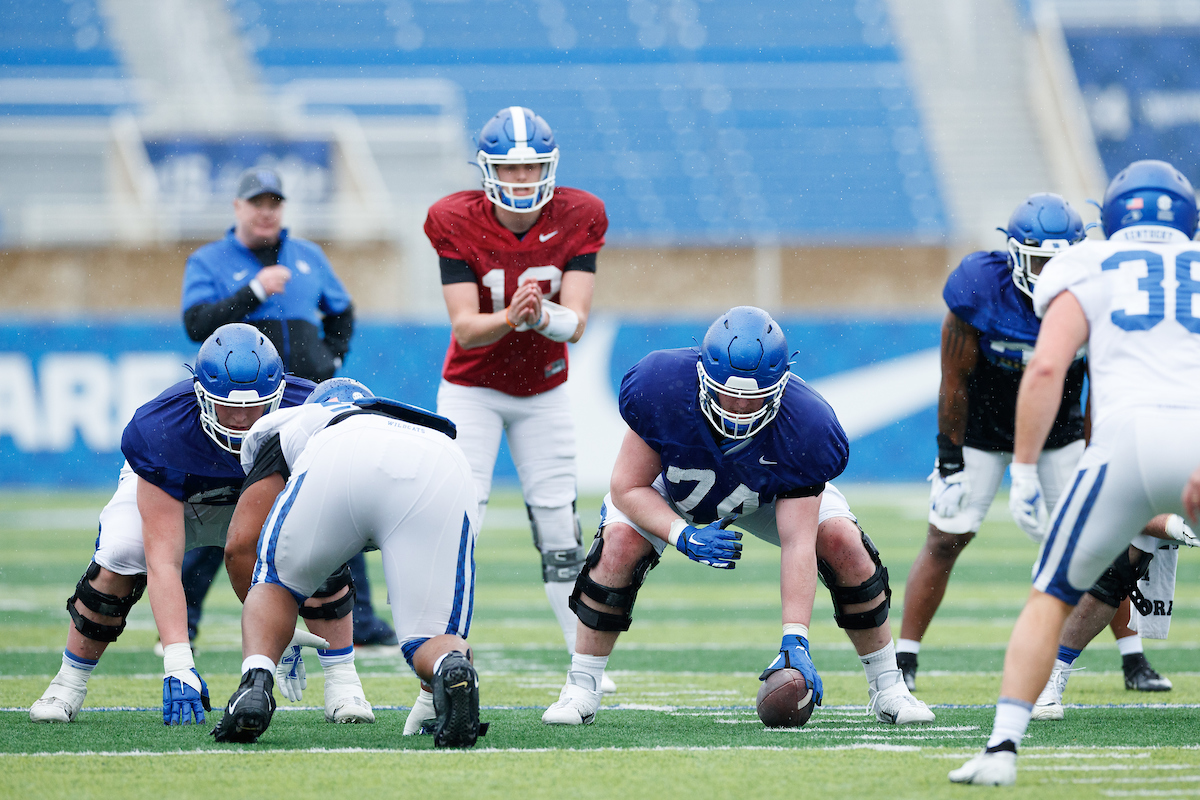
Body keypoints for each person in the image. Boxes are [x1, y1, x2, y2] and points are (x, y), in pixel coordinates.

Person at [541, 306, 934, 727]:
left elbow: (799, 542)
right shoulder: (662, 386)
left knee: (844, 542)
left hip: (762, 494)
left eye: (755, 398)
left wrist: (794, 637)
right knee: (618, 545)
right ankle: (581, 686)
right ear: (702, 377)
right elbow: (628, 488)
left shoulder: (807, 425)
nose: (739, 409)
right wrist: (682, 535)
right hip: (669, 487)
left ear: (782, 385)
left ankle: (889, 686)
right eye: (728, 393)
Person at [951, 159, 1200, 786]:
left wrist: (1027, 470)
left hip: (1126, 443)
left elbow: (1045, 369)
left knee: (1051, 593)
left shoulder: (1087, 263)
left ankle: (1003, 747)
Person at [898, 193, 1173, 697]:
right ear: (1013, 255)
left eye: (1060, 262)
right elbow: (953, 380)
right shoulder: (979, 288)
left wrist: (1099, 452)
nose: (1049, 274)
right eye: (1039, 262)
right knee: (946, 535)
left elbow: (1101, 383)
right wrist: (949, 459)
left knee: (1101, 538)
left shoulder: (1097, 289)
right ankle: (903, 659)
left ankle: (1134, 657)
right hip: (982, 430)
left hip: (1060, 433)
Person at [28, 324, 369, 725]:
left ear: (278, 395)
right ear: (201, 395)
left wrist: (282, 620)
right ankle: (68, 683)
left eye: (254, 405)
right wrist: (178, 662)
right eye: (228, 405)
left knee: (320, 552)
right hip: (182, 501)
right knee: (120, 556)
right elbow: (164, 562)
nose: (242, 419)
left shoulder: (307, 411)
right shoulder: (162, 429)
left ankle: (344, 683)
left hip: (255, 501)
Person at [425, 107, 611, 689]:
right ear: (488, 169)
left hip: (544, 391)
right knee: (460, 518)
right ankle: (447, 652)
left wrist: (543, 315)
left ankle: (584, 663)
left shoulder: (581, 213)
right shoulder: (452, 218)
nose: (524, 179)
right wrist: (511, 316)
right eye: (512, 167)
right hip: (471, 389)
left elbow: (576, 322)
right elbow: (465, 327)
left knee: (560, 529)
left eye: (532, 167)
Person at [178, 166, 396, 648]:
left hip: (306, 404)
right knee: (229, 506)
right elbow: (197, 324)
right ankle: (184, 618)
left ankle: (358, 617)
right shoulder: (210, 260)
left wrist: (332, 356)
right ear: (238, 208)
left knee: (337, 499)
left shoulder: (307, 256)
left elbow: (341, 310)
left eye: (274, 203)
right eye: (257, 202)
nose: (266, 211)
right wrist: (253, 292)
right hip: (243, 410)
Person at [211, 378, 484, 748]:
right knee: (432, 637)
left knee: (275, 581)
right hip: (442, 461)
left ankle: (255, 683)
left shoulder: (302, 420)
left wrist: (273, 636)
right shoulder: (410, 427)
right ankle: (446, 670)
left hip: (342, 451)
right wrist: (428, 694)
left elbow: (240, 545)